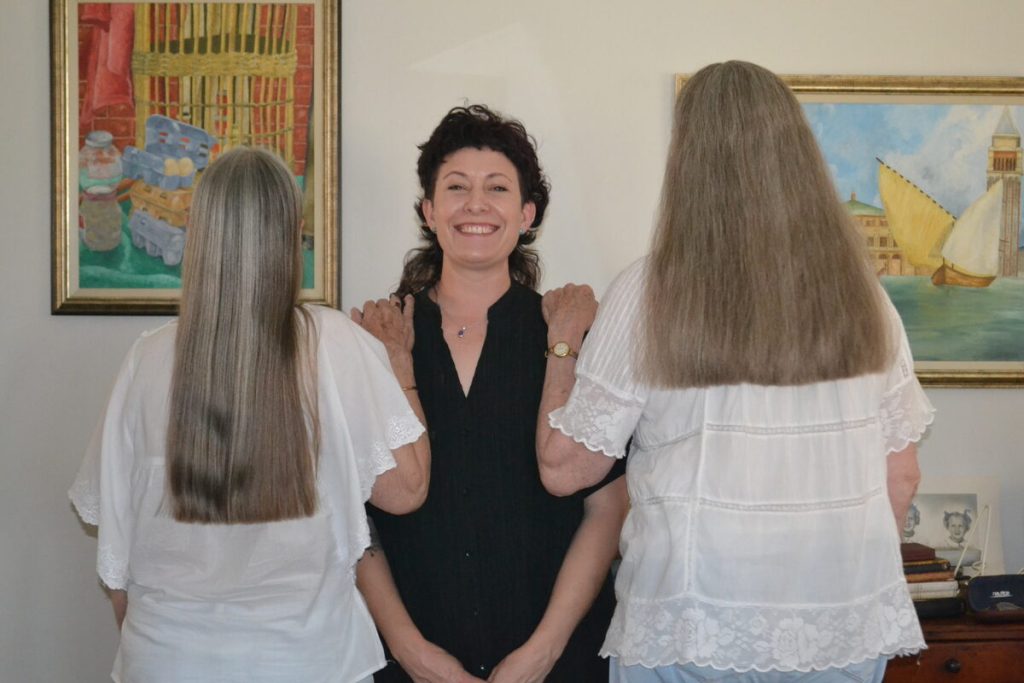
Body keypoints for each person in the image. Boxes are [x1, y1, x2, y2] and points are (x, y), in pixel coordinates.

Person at [536, 61, 935, 682]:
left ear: (689, 162)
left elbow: (566, 469)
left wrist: (562, 345)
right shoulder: (865, 296)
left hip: (691, 626)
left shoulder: (650, 291)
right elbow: (901, 475)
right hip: (840, 630)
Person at [68, 147, 431, 683]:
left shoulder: (146, 358)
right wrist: (399, 361)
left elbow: (116, 558)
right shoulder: (335, 343)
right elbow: (406, 490)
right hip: (307, 661)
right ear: (291, 234)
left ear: (199, 233)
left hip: (166, 658)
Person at [352, 104, 629, 682]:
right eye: (456, 187)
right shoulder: (374, 342)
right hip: (411, 663)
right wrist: (409, 650)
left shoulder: (574, 334)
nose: (475, 204)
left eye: (497, 188)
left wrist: (545, 650)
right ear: (429, 211)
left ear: (527, 214)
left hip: (560, 661)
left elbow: (607, 507)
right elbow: (349, 516)